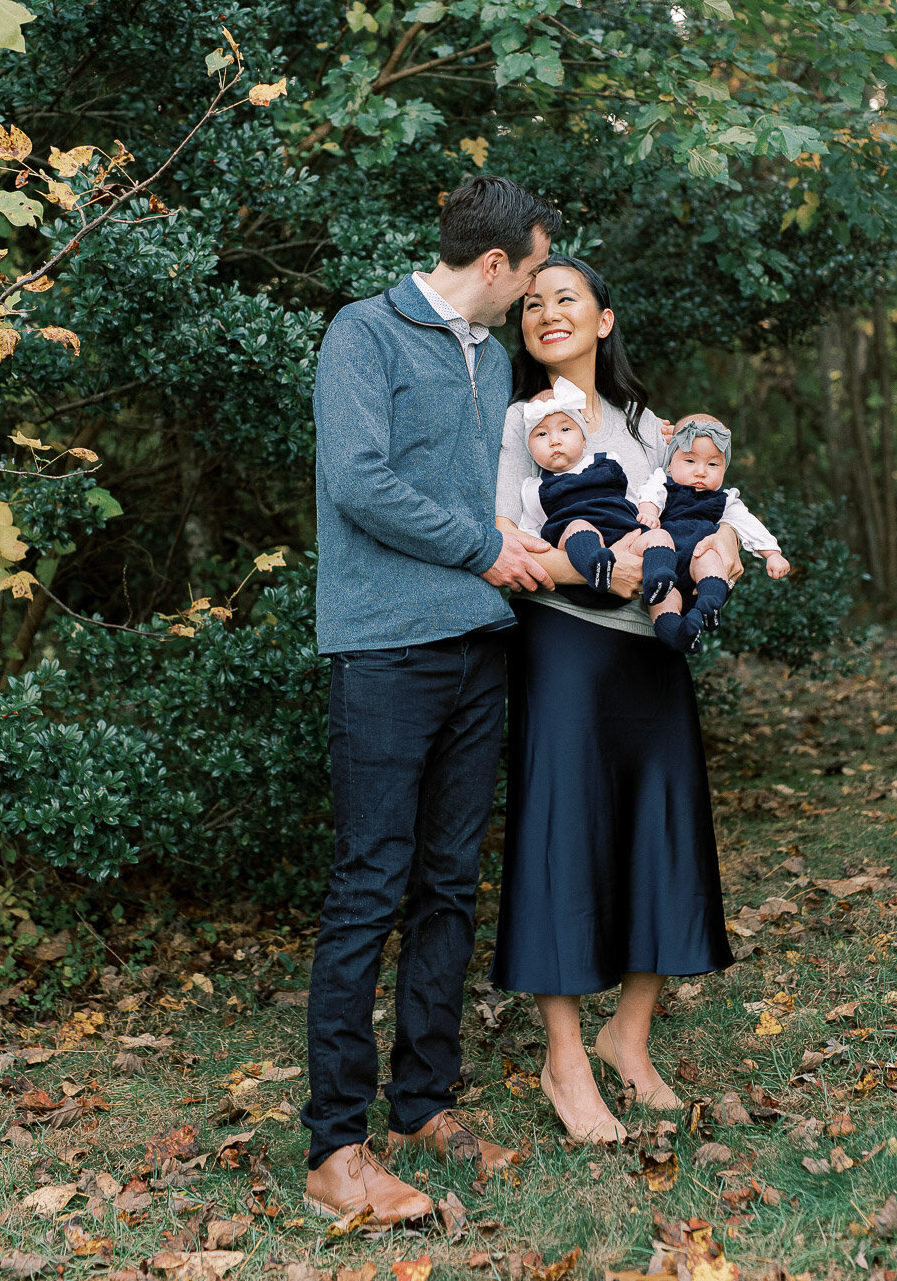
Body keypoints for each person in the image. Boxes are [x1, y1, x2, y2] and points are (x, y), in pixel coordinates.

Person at [302, 176, 562, 1223]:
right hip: (384, 649)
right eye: (534, 271)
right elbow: (360, 481)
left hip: (475, 647)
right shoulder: (362, 334)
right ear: (494, 265)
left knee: (451, 885)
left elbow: (482, 496)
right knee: (370, 887)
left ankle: (422, 1105)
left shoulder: (492, 356)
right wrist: (486, 548)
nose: (539, 292)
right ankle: (335, 1149)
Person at [491, 253, 740, 1145]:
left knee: (662, 830)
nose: (547, 313)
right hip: (565, 643)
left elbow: (694, 508)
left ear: (602, 319)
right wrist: (600, 567)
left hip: (655, 654)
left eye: (567, 299)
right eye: (531, 303)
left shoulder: (647, 423)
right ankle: (563, 1060)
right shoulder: (515, 419)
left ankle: (627, 1038)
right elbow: (501, 544)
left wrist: (718, 550)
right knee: (564, 836)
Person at [636, 412, 791, 654]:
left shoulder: (724, 500)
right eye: (690, 461)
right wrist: (649, 512)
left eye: (713, 464)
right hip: (667, 563)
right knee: (663, 602)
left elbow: (747, 523)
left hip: (698, 564)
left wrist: (772, 553)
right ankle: (679, 634)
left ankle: (709, 605)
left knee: (709, 556)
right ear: (670, 463)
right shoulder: (664, 484)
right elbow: (650, 494)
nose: (701, 472)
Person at [517, 376, 678, 607]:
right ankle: (597, 566)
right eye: (541, 434)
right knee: (578, 525)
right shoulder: (535, 489)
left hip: (625, 538)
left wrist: (647, 511)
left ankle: (657, 578)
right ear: (530, 450)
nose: (554, 440)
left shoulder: (608, 461)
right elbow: (529, 532)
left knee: (659, 536)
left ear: (584, 439)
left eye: (565, 429)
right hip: (581, 570)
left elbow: (629, 497)